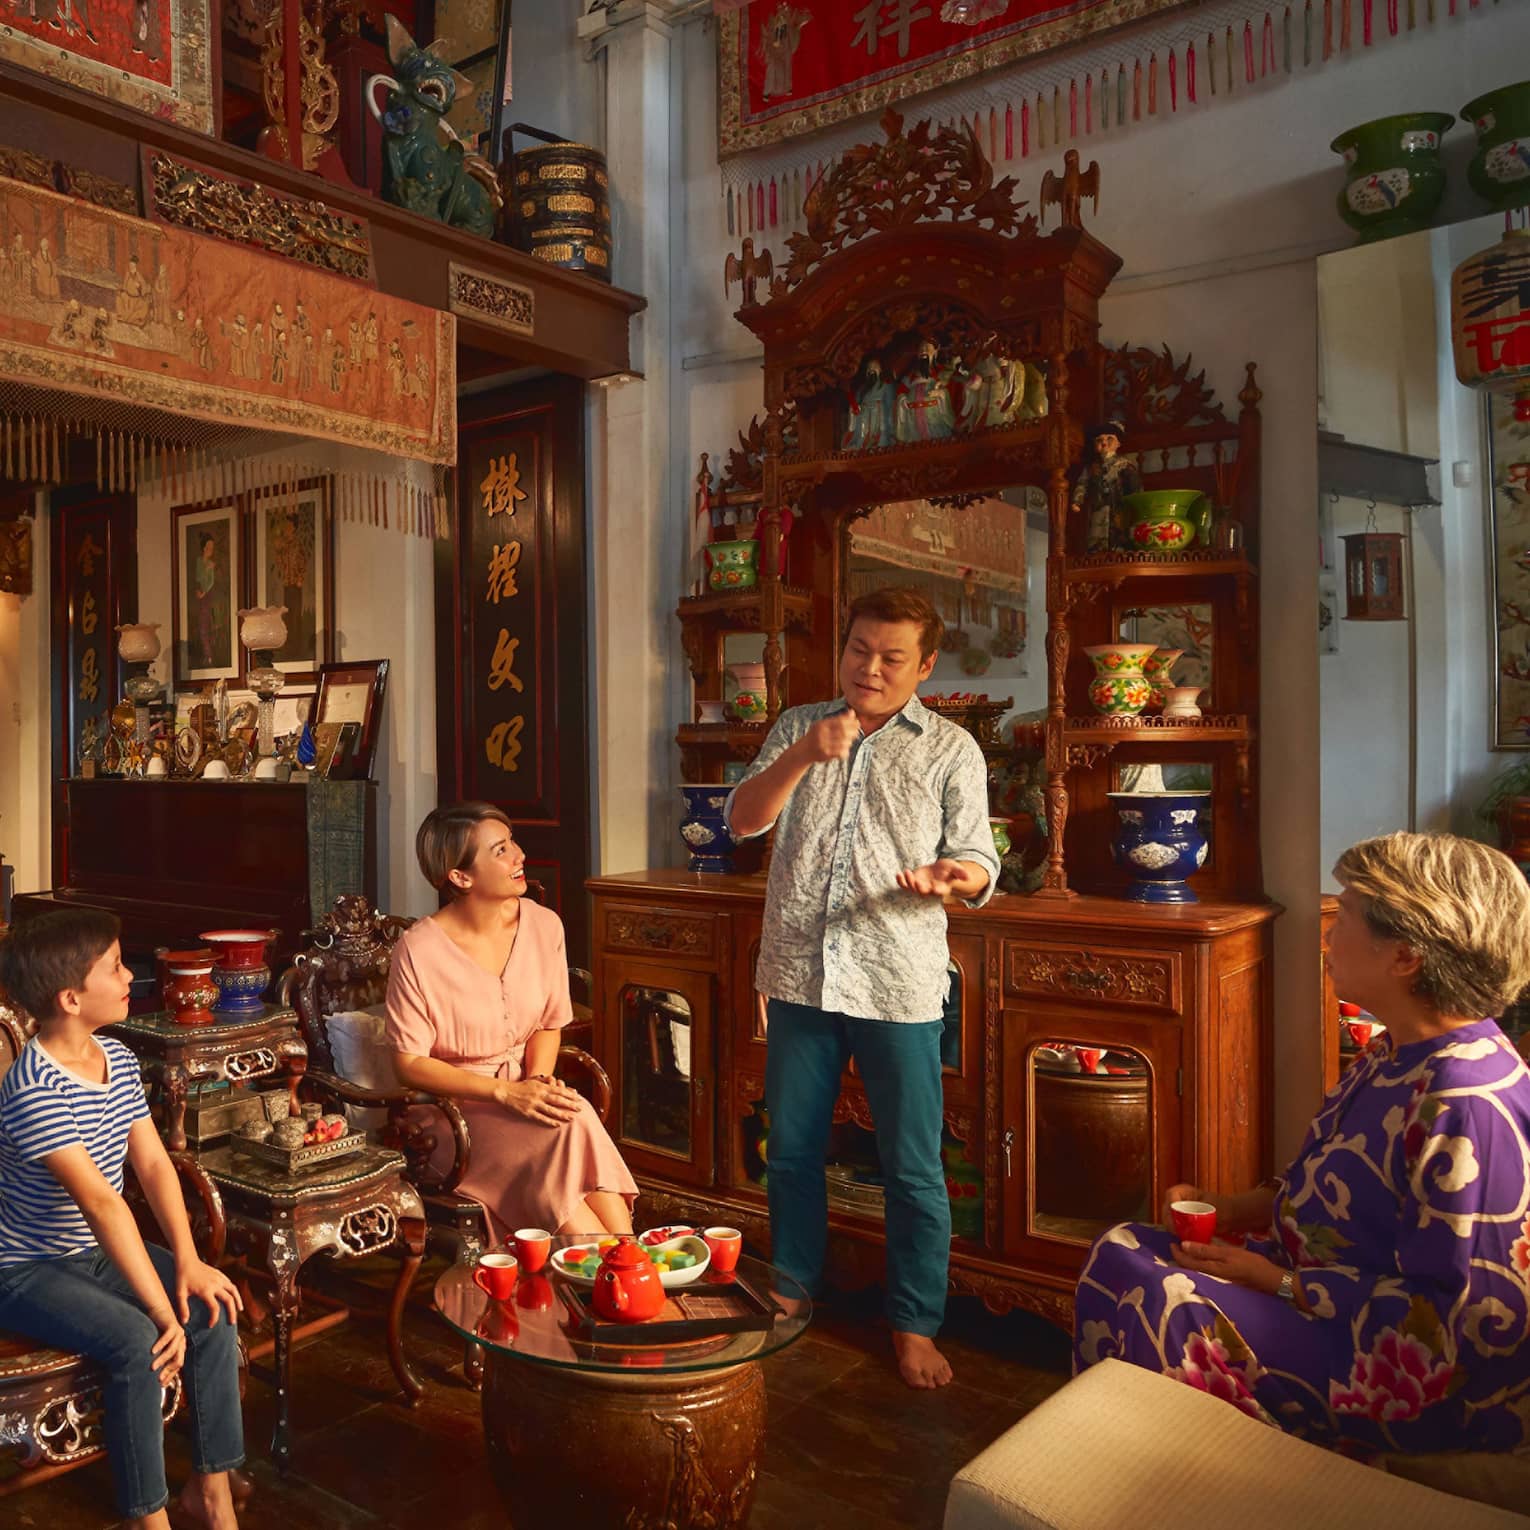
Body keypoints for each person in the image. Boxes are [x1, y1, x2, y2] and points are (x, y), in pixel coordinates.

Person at [1074, 832, 1530, 1455]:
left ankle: (1165, 1480)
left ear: (1405, 956)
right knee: (1122, 1250)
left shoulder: (1466, 1103)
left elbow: (1463, 1324)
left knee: (1165, 1298)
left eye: (1346, 916)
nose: (1328, 934)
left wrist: (1280, 1283)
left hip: (1405, 1368)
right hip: (1311, 1282)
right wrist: (1228, 1208)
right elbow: (1326, 1183)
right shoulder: (1394, 1049)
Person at [726, 586, 999, 1389]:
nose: (869, 669)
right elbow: (741, 820)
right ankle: (791, 1288)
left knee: (912, 1165)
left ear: (926, 665)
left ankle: (914, 1323)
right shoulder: (796, 727)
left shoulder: (951, 749)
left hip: (897, 981)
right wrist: (804, 755)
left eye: (891, 657)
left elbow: (980, 861)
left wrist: (954, 876)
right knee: (791, 1151)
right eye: (858, 650)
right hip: (800, 974)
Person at [0, 910, 244, 1530]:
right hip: (26, 1270)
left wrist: (188, 1263)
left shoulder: (116, 1056)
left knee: (210, 1308)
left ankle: (211, 1494)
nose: (130, 976)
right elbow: (103, 1204)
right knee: (140, 1341)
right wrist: (160, 1310)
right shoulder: (32, 1088)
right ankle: (147, 1518)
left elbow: (155, 1165)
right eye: (114, 967)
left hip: (96, 1252)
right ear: (70, 998)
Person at [387, 803, 638, 1239]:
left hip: (523, 1092)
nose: (519, 855)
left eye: (512, 842)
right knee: (563, 1154)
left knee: (571, 1115)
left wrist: (535, 1083)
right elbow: (408, 1064)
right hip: (452, 1116)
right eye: (500, 850)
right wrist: (505, 1093)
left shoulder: (545, 926)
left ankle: (627, 1258)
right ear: (460, 876)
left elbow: (548, 1024)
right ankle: (626, 1264)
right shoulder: (418, 950)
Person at [1069, 418, 1140, 552]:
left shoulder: (1125, 465)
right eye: (1099, 440)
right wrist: (1077, 500)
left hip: (1118, 506)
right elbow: (1082, 483)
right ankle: (1097, 552)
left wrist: (1135, 504)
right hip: (1098, 506)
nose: (1104, 443)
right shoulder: (1091, 468)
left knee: (1119, 532)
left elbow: (1134, 486)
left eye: (1109, 439)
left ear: (1118, 443)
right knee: (1097, 533)